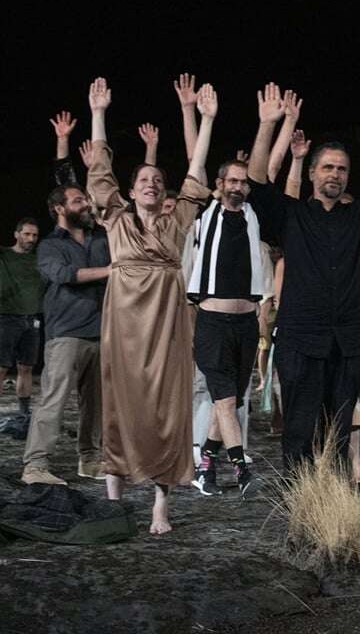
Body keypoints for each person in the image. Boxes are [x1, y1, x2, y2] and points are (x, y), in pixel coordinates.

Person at [247, 85, 360, 469]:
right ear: (312, 173)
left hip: (348, 341)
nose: (335, 174)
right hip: (301, 341)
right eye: (327, 167)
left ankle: (336, 495)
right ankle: (301, 497)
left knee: (339, 432)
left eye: (341, 169)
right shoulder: (291, 215)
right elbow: (256, 182)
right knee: (299, 431)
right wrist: (267, 125)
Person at [87, 77, 216, 534]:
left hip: (166, 321)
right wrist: (98, 114)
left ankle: (161, 505)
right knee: (119, 404)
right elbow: (99, 174)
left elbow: (196, 176)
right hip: (123, 322)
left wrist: (206, 120)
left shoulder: (176, 221)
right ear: (131, 190)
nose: (152, 184)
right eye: (144, 180)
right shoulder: (116, 220)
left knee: (167, 407)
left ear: (164, 192)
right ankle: (114, 504)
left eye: (158, 181)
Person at [186, 159, 272, 498]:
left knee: (229, 403)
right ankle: (242, 471)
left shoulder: (253, 215)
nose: (237, 186)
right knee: (224, 400)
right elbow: (196, 162)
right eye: (231, 181)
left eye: (242, 182)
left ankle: (205, 465)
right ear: (219, 184)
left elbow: (268, 170)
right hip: (213, 324)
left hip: (246, 324)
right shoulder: (206, 215)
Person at [21, 178, 110, 485]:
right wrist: (109, 271)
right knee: (53, 400)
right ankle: (35, 465)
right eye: (77, 201)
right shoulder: (50, 245)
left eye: (85, 199)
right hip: (66, 333)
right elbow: (63, 274)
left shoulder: (101, 238)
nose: (85, 204)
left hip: (101, 331)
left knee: (95, 404)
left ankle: (90, 459)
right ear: (60, 209)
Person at [0, 218, 44, 421]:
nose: (31, 239)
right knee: (1, 367)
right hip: (6, 318)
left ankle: (24, 413)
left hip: (32, 320)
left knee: (26, 367)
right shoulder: (4, 255)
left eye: (34, 235)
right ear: (16, 234)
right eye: (26, 234)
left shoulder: (39, 259)